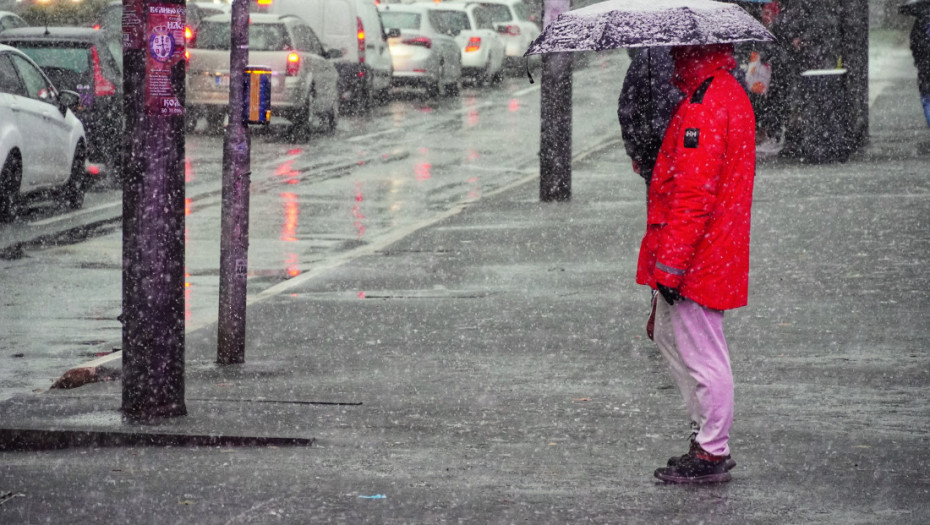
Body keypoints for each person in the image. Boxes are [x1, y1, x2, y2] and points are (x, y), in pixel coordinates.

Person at [636, 43, 756, 484]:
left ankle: (711, 449)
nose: (668, 53)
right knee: (675, 338)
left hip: (698, 254)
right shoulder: (719, 92)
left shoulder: (706, 103)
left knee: (702, 352)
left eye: (675, 47)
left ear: (691, 48)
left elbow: (692, 195)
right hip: (709, 248)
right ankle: (707, 439)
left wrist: (669, 268)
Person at [617, 47, 684, 185]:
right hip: (695, 148)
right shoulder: (709, 55)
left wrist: (636, 152)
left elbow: (628, 109)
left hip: (655, 151)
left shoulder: (647, 57)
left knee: (659, 200)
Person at [910, 10, 930, 127]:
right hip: (925, 66)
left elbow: (914, 45)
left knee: (927, 98)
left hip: (925, 67)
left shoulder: (919, 23)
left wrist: (919, 60)